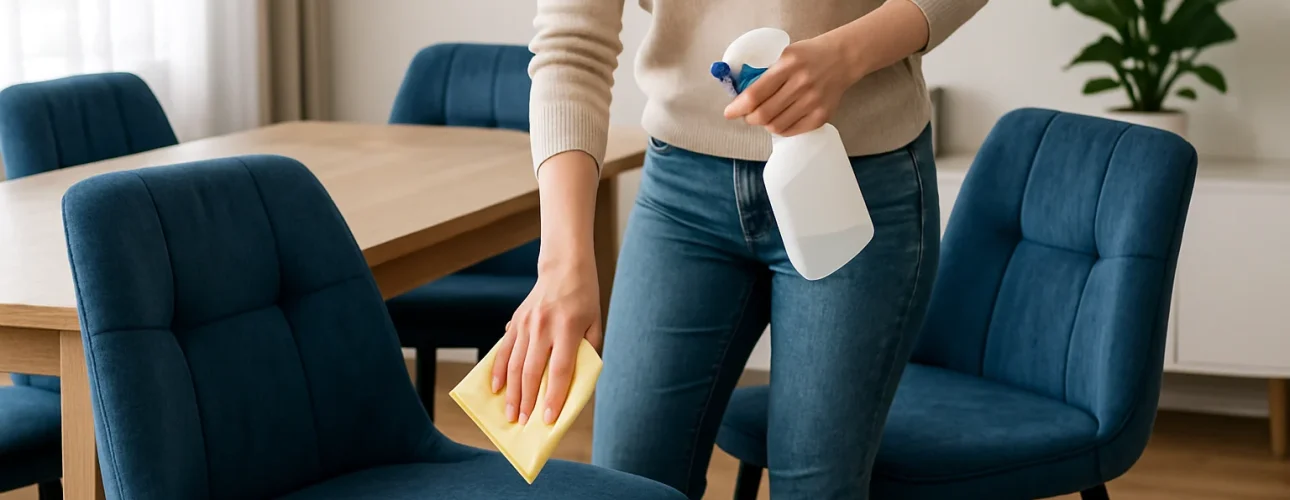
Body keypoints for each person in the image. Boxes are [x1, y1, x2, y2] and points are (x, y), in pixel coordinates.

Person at [491, 0, 987, 497]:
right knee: (628, 482)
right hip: (680, 194)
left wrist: (847, 55)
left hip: (855, 177)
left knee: (815, 487)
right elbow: (570, 47)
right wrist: (561, 262)